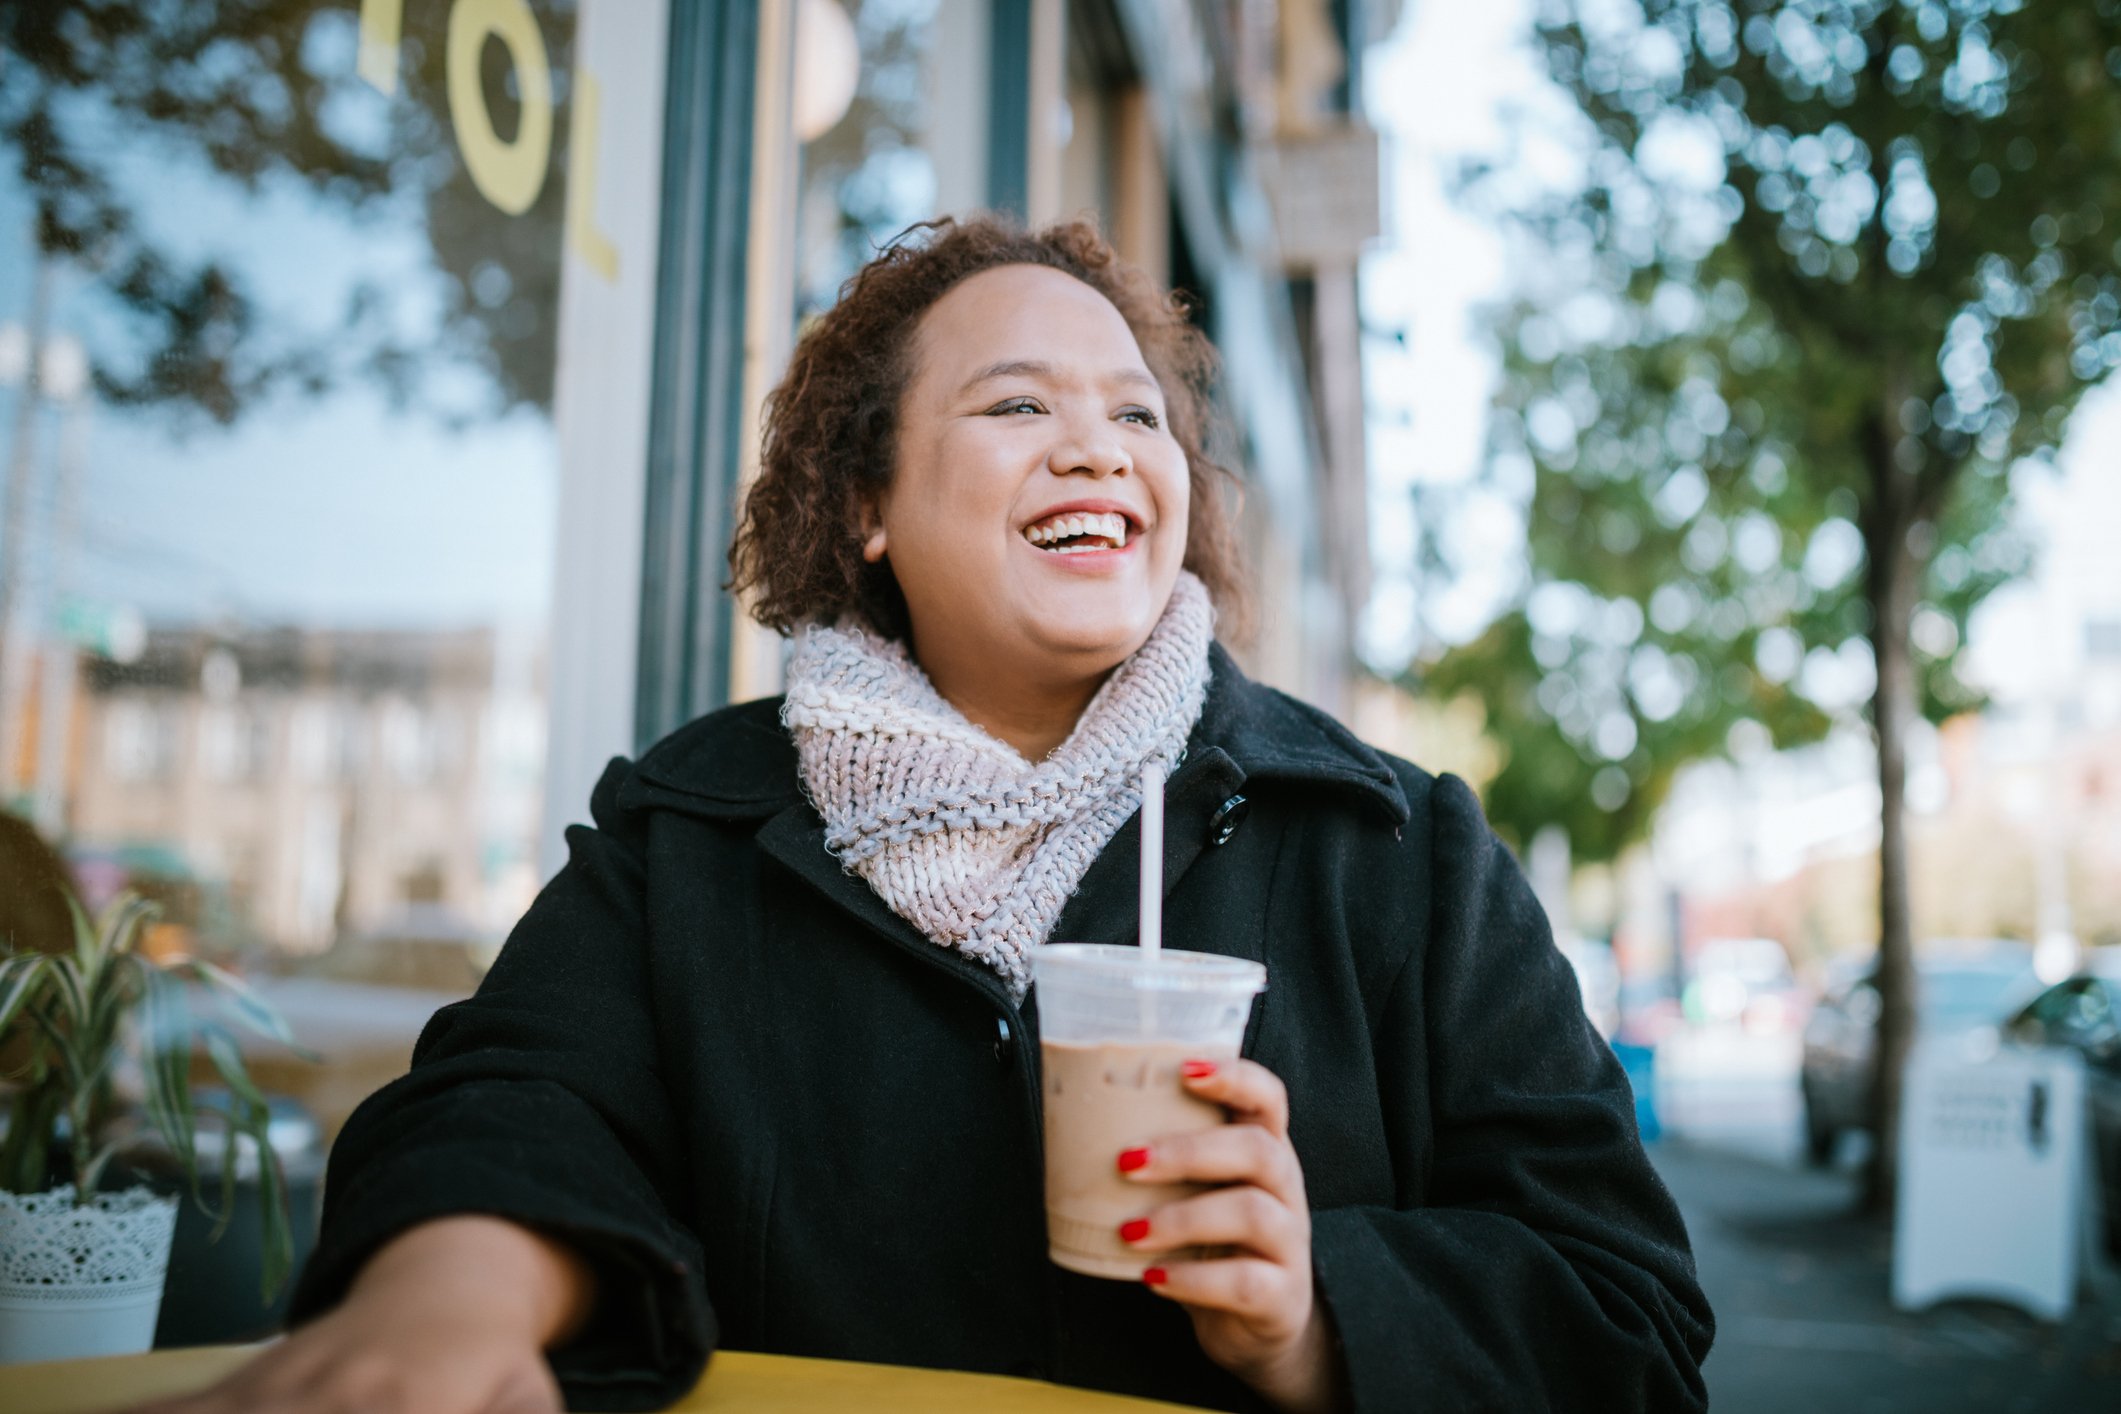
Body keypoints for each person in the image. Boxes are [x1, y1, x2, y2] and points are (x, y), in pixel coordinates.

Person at [136, 217, 1712, 1414]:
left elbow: (1632, 1319)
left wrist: (1316, 1313)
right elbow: (515, 1100)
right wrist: (453, 1289)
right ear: (865, 506)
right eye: (1016, 404)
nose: (1098, 442)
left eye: (1136, 415)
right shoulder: (695, 832)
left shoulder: (1394, 848)